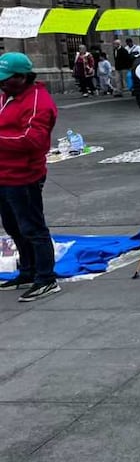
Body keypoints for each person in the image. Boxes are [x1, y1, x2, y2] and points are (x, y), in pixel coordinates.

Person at [0, 52, 61, 302]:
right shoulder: (8, 95)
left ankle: (46, 278)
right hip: (4, 173)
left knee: (32, 227)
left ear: (23, 77)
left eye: (6, 79)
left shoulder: (39, 102)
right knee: (13, 226)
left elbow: (33, 140)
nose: (2, 83)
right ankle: (27, 271)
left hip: (25, 175)